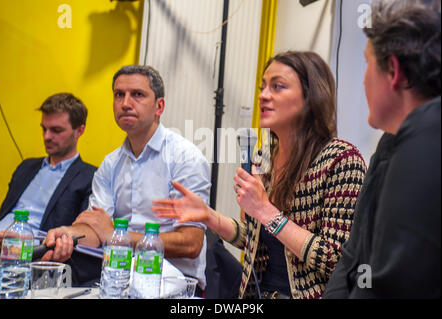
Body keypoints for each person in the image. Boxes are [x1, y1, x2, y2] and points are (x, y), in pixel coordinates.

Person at [153, 51, 367, 299]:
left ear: (311, 97)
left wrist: (266, 211)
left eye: (277, 87)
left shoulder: (341, 159)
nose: (263, 96)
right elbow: (255, 243)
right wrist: (209, 216)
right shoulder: (264, 159)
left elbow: (337, 261)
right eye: (263, 87)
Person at [45, 65, 211, 293]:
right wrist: (67, 234)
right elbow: (95, 228)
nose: (125, 103)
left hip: (174, 283)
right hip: (117, 278)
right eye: (118, 95)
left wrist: (114, 236)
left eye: (138, 95)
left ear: (159, 106)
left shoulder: (186, 158)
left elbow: (191, 243)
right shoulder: (110, 164)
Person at [323, 0, 441, 299]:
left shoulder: (424, 141)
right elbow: (355, 257)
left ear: (394, 71)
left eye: (367, 64)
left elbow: (390, 284)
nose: (363, 79)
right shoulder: (392, 144)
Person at [0, 93, 100, 293]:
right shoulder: (26, 167)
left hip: (31, 258)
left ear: (79, 131)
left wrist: (29, 240)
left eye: (56, 130)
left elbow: (81, 234)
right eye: (44, 128)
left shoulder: (90, 176)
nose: (47, 136)